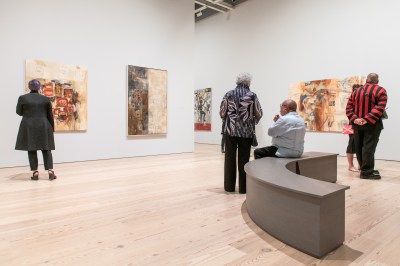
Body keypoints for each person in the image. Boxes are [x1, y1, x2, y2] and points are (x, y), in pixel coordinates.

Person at [220, 72, 263, 193]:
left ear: (237, 82)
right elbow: (259, 113)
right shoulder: (252, 95)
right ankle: (243, 188)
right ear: (248, 82)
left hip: (230, 131)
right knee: (244, 159)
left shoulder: (228, 94)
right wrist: (251, 119)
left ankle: (229, 187)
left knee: (229, 159)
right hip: (246, 132)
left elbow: (222, 113)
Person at [346, 73, 387, 180]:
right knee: (369, 147)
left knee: (359, 147)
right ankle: (366, 172)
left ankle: (365, 169)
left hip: (357, 124)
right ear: (377, 80)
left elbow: (348, 107)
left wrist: (356, 119)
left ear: (367, 80)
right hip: (372, 124)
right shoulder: (381, 91)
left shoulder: (356, 91)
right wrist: (366, 119)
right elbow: (380, 107)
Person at [15, 79, 57, 181]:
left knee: (31, 148)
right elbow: (49, 115)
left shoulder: (22, 98)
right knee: (46, 148)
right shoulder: (45, 99)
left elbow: (19, 112)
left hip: (29, 126)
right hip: (44, 125)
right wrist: (51, 128)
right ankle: (50, 171)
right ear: (39, 88)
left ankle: (35, 173)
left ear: (29, 87)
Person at [346, 84, 362, 172]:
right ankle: (350, 166)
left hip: (358, 125)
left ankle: (360, 165)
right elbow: (349, 113)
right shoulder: (351, 100)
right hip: (351, 125)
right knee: (351, 144)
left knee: (360, 145)